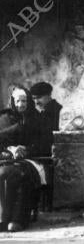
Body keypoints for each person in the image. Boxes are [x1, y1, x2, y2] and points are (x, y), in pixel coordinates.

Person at [0, 86, 42, 232]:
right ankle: (2, 219)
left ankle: (18, 220)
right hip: (6, 159)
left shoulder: (36, 118)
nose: (21, 104)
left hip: (30, 159)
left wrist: (26, 150)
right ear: (13, 101)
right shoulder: (4, 119)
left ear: (28, 102)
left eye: (24, 101)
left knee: (24, 176)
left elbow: (43, 144)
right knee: (4, 174)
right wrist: (10, 150)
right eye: (18, 101)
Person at [29, 81, 62, 156]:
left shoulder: (57, 112)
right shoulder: (43, 113)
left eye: (39, 97)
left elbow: (47, 142)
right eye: (34, 98)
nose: (36, 102)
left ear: (49, 95)